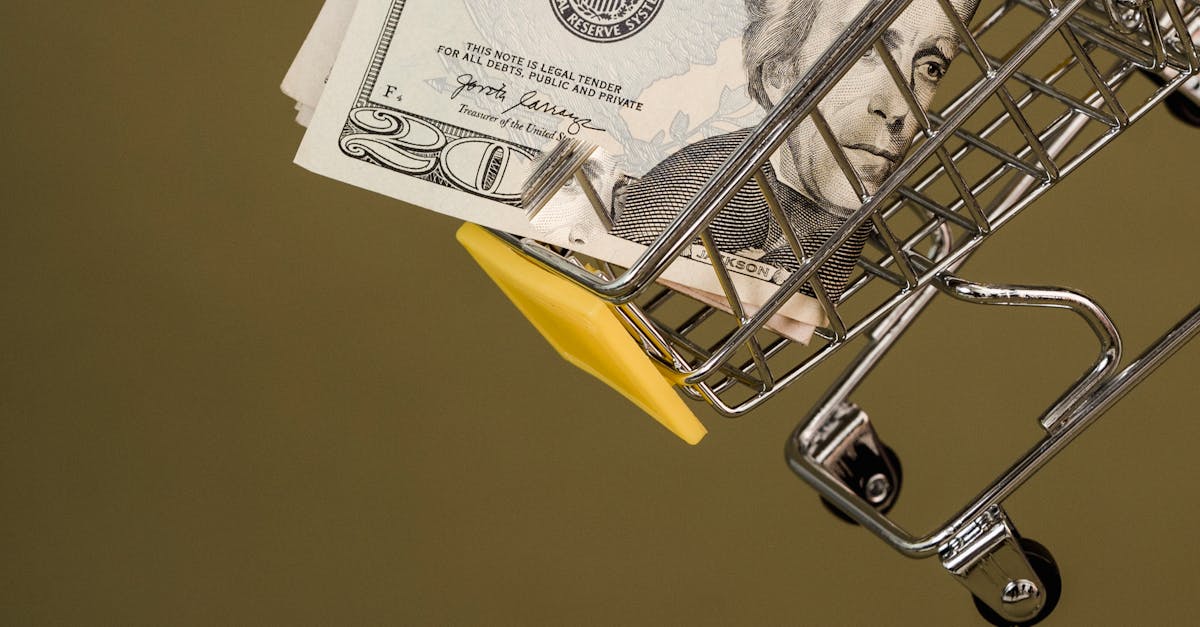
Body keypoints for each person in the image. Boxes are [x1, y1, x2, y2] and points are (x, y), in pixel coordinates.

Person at [610, 0, 979, 300]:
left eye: (932, 68)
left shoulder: (825, 235)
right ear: (780, 72)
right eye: (867, 49)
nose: (900, 108)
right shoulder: (690, 187)